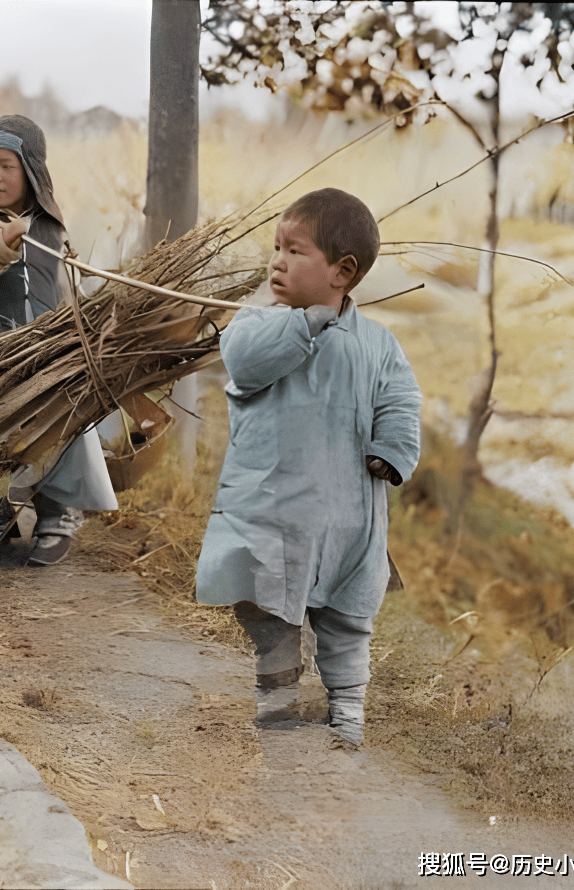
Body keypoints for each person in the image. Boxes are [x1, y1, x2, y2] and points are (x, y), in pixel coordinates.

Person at [195, 188, 421, 746]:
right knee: (268, 607)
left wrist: (391, 450)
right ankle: (278, 702)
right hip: (271, 507)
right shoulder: (255, 324)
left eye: (294, 251)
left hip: (348, 510)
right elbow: (245, 365)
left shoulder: (377, 344)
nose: (276, 260)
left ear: (342, 272)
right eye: (275, 247)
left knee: (347, 619)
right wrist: (305, 324)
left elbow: (402, 400)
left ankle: (347, 712)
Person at [0, 114, 118, 566]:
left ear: (33, 173)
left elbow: (66, 289)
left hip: (44, 356)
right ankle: (2, 516)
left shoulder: (51, 229)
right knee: (0, 439)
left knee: (57, 429)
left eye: (7, 166)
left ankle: (55, 515)